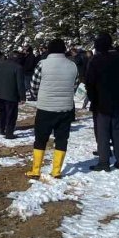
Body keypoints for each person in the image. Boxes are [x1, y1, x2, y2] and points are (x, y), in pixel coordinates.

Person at [26, 39, 79, 179]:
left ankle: (36, 169)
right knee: (62, 139)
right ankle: (56, 171)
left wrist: (38, 96)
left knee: (40, 139)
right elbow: (74, 86)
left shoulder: (42, 64)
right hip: (65, 108)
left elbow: (34, 85)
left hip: (45, 108)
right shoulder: (72, 65)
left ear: (49, 49)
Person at [86, 33, 119, 172]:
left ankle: (104, 162)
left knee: (103, 133)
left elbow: (90, 82)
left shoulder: (95, 61)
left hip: (101, 102)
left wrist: (93, 98)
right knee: (117, 132)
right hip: (116, 100)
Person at [0, 50, 25, 139]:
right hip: (11, 95)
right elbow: (20, 84)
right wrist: (22, 97)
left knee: (2, 112)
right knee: (11, 115)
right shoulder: (18, 67)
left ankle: (1, 129)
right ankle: (9, 133)